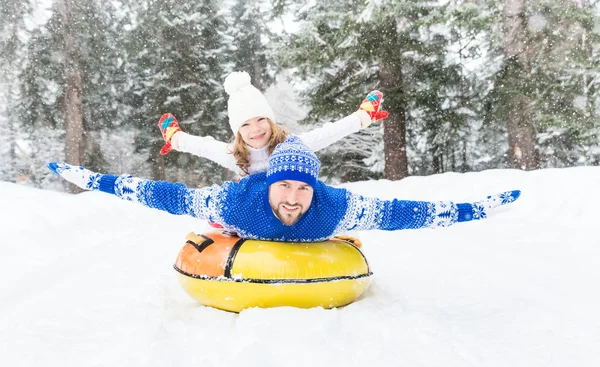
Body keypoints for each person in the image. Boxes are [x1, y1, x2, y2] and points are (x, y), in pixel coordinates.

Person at [47, 136, 520, 242]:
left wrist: (476, 209)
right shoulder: (234, 200)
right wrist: (92, 180)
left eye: (302, 188)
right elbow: (157, 193)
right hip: (236, 227)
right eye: (284, 186)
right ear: (268, 183)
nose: (293, 197)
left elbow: (406, 211)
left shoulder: (337, 207)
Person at [157, 71, 388, 177]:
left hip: (287, 207)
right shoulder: (233, 155)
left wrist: (362, 117)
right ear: (237, 132)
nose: (255, 129)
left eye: (260, 120)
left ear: (270, 121)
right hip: (254, 210)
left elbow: (326, 134)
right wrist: (175, 137)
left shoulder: (290, 146)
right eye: (245, 125)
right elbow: (203, 146)